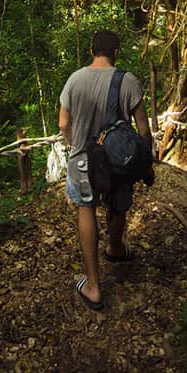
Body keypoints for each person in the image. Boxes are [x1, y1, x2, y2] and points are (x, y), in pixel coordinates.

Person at [59, 29, 151, 310]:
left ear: (91, 51)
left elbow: (63, 124)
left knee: (86, 209)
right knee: (118, 203)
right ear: (116, 52)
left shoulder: (75, 79)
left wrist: (76, 144)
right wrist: (143, 160)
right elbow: (144, 130)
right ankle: (115, 248)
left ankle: (93, 286)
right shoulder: (129, 81)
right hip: (118, 160)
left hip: (83, 160)